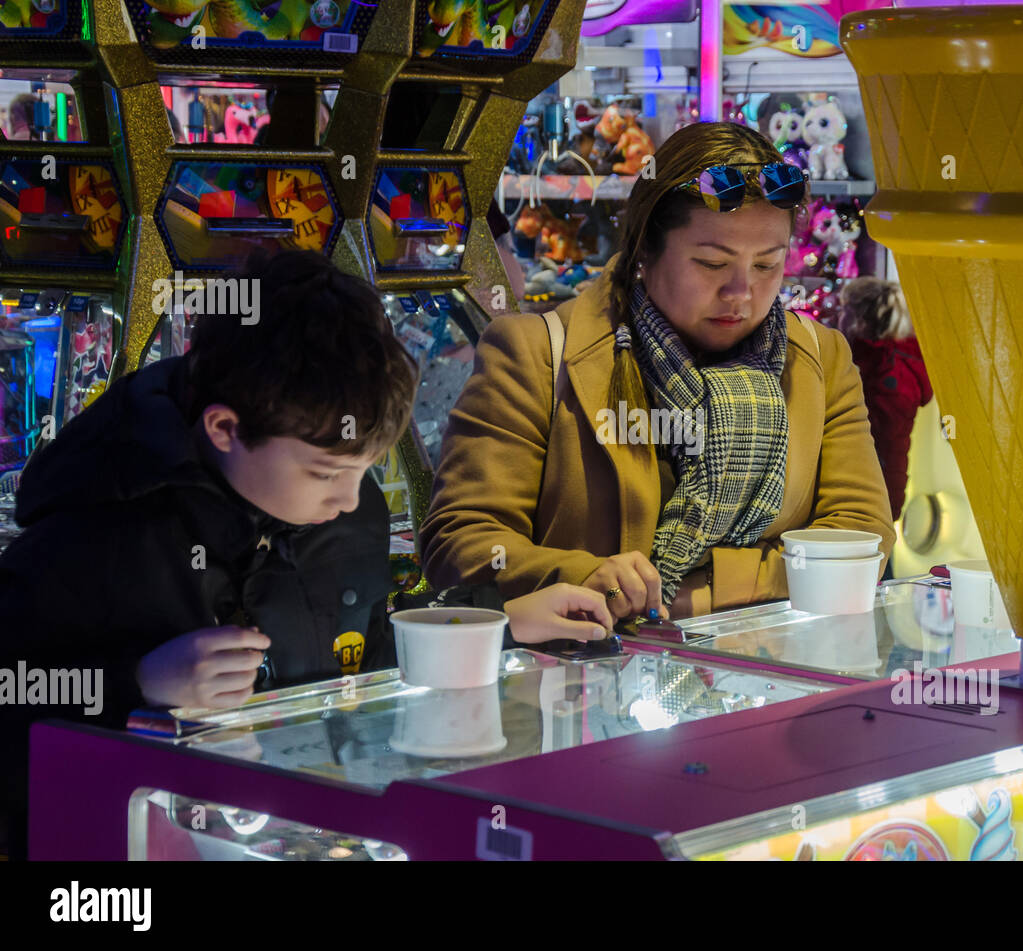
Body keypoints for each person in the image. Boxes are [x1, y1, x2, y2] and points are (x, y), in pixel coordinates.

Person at [0, 250, 614, 859]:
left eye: (365, 469)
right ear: (225, 429)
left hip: (283, 833)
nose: (350, 499)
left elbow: (363, 653)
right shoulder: (99, 523)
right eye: (326, 473)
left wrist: (499, 624)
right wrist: (138, 682)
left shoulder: (334, 506)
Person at [421, 122, 895, 621]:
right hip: (580, 681)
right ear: (645, 248)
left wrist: (688, 599)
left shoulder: (821, 356)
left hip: (770, 680)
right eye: (712, 263)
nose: (742, 292)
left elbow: (862, 534)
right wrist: (580, 577)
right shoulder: (536, 354)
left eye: (767, 265)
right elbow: (461, 541)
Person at [836, 277, 932, 523]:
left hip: (869, 510)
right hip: (860, 498)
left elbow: (891, 447)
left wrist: (886, 512)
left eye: (844, 308)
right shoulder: (868, 361)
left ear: (861, 318)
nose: (839, 316)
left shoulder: (890, 375)